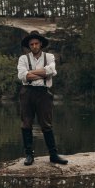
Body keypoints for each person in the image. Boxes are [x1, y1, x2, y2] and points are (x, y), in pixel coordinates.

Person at [17, 30, 68, 166]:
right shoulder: (23, 59)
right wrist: (43, 74)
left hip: (44, 93)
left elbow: (51, 71)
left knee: (46, 124)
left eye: (36, 43)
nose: (34, 46)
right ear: (29, 45)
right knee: (26, 123)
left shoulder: (49, 56)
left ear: (40, 44)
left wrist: (31, 73)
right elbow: (22, 75)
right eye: (31, 44)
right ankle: (29, 155)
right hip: (27, 92)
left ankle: (53, 155)